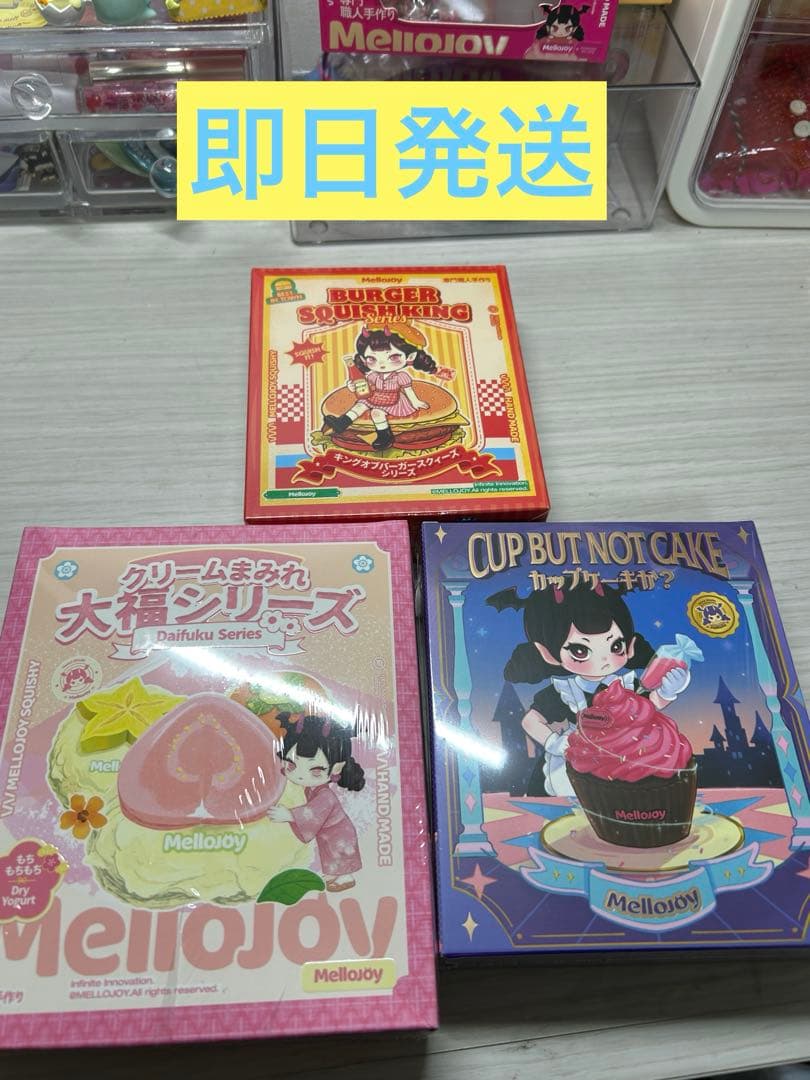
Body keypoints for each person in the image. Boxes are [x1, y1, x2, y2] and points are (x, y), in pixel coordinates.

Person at [487, 580, 691, 796]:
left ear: (629, 646)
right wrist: (555, 742)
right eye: (580, 650)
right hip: (580, 758)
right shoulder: (565, 691)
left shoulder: (627, 685)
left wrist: (668, 691)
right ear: (547, 653)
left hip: (629, 755)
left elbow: (649, 706)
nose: (603, 660)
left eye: (615, 646)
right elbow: (530, 720)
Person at [267, 714, 365, 891]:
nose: (300, 775)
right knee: (330, 854)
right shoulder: (314, 789)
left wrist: (289, 815)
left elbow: (312, 812)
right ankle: (335, 874)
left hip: (339, 834)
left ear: (336, 768)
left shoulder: (326, 796)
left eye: (316, 771)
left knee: (338, 854)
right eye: (292, 766)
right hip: (330, 832)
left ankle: (345, 877)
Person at [322, 320, 436, 452]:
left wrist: (415, 402)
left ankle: (384, 436)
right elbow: (364, 387)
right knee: (360, 405)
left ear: (410, 356)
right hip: (374, 397)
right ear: (364, 359)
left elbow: (408, 390)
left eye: (393, 357)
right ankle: (342, 423)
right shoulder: (373, 375)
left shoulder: (401, 376)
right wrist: (352, 387)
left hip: (394, 402)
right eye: (372, 359)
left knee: (376, 413)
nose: (382, 364)